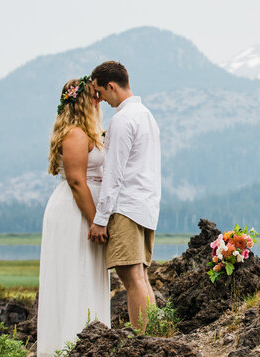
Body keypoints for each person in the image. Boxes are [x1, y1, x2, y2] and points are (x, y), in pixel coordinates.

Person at [37, 76, 110, 356]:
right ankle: (69, 344)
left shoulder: (86, 131)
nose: (99, 99)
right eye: (94, 95)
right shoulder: (76, 134)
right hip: (75, 211)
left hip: (85, 207)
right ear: (82, 100)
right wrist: (95, 220)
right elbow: (77, 181)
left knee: (86, 272)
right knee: (75, 273)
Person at [88, 60, 161, 332]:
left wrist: (100, 219)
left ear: (111, 86)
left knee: (131, 280)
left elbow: (113, 175)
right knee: (141, 276)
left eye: (100, 92)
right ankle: (154, 336)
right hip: (145, 206)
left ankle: (143, 340)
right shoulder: (146, 116)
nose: (101, 99)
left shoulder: (121, 120)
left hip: (126, 208)